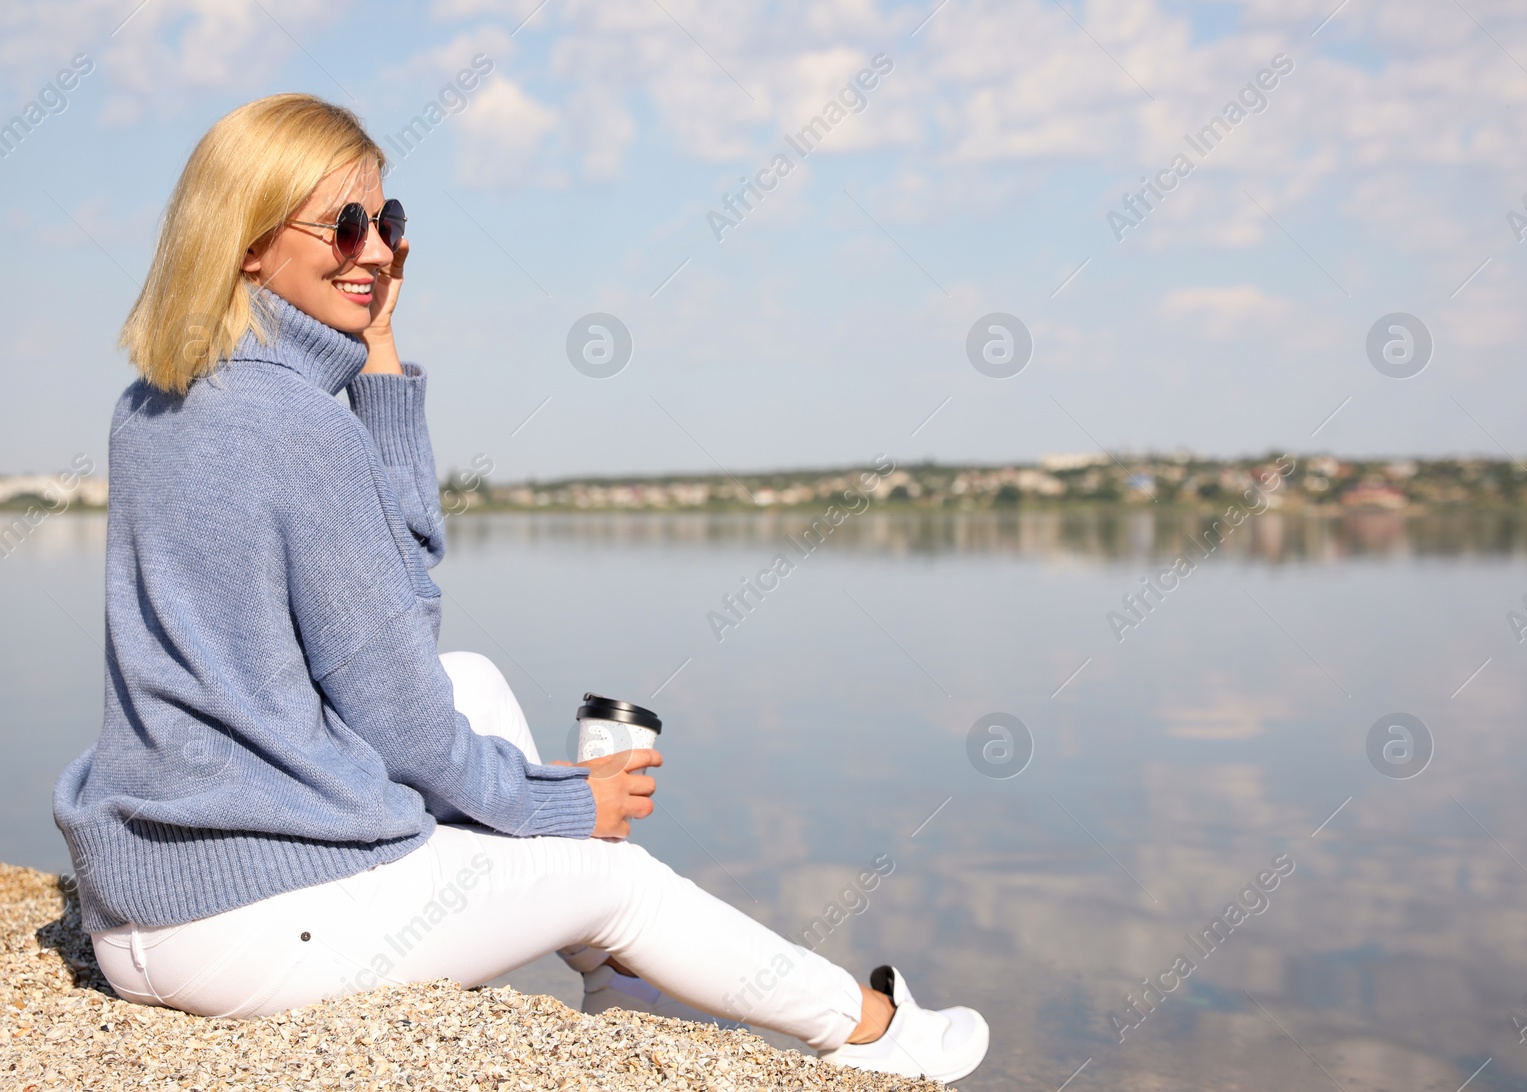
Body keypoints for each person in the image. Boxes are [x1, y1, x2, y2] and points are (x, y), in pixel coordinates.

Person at [52, 93, 987, 1082]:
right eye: (345, 225)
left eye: (390, 221)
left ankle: (621, 985)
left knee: (478, 681)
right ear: (246, 243)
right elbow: (403, 683)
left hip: (142, 911)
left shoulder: (153, 400)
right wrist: (566, 806)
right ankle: (877, 1032)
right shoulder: (296, 426)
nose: (376, 251)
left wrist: (375, 351)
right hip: (253, 928)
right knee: (614, 875)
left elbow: (402, 647)